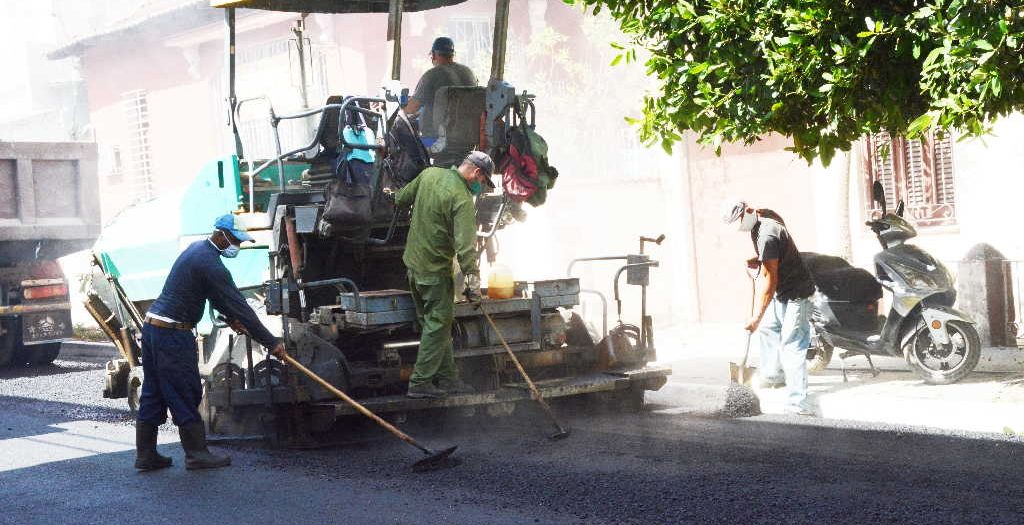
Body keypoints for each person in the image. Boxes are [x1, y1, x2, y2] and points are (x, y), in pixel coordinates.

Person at [134, 214, 286, 471]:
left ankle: (146, 455)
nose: (236, 246)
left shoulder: (196, 251)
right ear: (221, 235)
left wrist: (229, 317)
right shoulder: (210, 264)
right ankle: (196, 454)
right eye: (235, 240)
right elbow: (240, 305)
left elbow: (212, 295)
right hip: (172, 332)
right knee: (185, 389)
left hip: (152, 328)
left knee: (154, 390)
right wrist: (271, 342)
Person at [393, 151, 495, 399]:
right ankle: (420, 383)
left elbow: (400, 199)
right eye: (482, 182)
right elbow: (465, 247)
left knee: (436, 327)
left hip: (413, 267)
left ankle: (448, 379)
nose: (480, 187)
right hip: (435, 273)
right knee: (438, 326)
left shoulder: (429, 174)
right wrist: (472, 282)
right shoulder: (461, 199)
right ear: (476, 173)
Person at [722, 200, 816, 416]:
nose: (738, 228)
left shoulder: (766, 234)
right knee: (768, 329)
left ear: (747, 211)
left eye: (738, 222)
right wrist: (761, 259)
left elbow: (769, 280)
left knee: (792, 345)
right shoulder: (763, 218)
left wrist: (755, 316)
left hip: (796, 293)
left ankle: (798, 404)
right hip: (782, 288)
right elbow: (775, 257)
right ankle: (773, 376)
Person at [402, 36, 478, 150]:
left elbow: (411, 109)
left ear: (433, 55)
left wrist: (400, 109)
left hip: (436, 140)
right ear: (453, 54)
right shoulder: (469, 73)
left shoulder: (432, 75)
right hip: (467, 140)